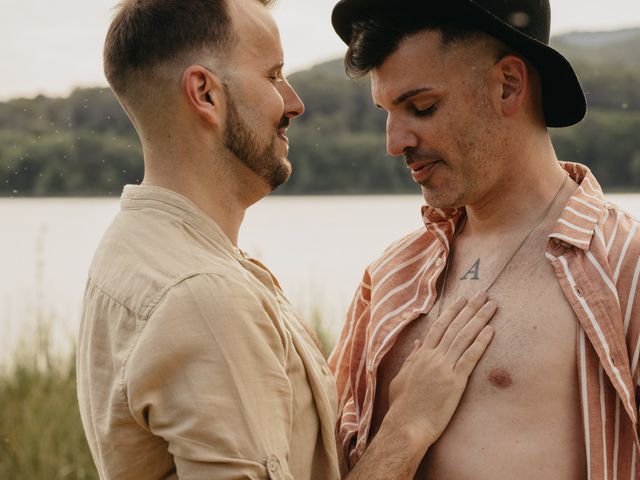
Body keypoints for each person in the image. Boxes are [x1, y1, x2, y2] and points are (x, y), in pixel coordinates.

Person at [76, 0, 497, 479]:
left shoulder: (134, 249)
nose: (295, 102)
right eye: (273, 75)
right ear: (204, 94)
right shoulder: (203, 295)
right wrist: (408, 425)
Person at [329, 0, 640, 479]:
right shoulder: (389, 278)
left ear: (508, 85)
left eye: (422, 107)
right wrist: (402, 433)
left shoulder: (628, 271)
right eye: (387, 113)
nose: (395, 143)